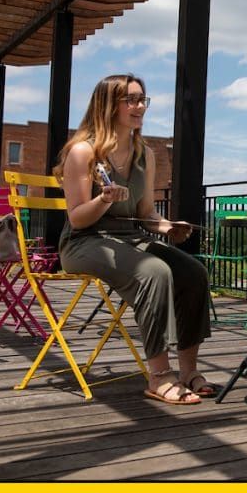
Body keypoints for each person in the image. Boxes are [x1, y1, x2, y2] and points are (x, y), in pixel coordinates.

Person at [54, 73, 214, 405]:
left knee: (193, 272)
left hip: (129, 238)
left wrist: (167, 227)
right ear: (109, 104)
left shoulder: (146, 154)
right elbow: (77, 217)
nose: (140, 106)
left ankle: (188, 370)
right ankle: (159, 376)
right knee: (154, 271)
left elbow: (145, 212)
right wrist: (104, 199)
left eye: (143, 99)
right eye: (131, 99)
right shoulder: (83, 152)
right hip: (84, 241)